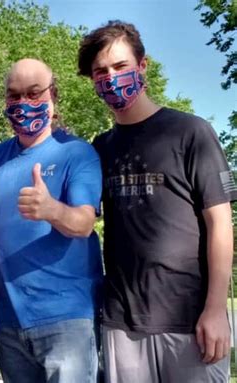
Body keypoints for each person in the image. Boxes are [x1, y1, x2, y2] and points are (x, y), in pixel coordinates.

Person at [77, 20, 236, 383]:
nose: (111, 78)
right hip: (122, 322)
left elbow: (221, 223)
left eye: (120, 66)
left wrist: (215, 310)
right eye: (101, 72)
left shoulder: (191, 132)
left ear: (142, 66)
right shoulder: (99, 148)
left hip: (190, 319)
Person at [0, 58, 103, 383]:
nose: (23, 104)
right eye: (14, 95)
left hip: (68, 319)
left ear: (53, 94)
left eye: (34, 93)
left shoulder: (77, 153)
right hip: (9, 322)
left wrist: (51, 209)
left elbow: (84, 223)